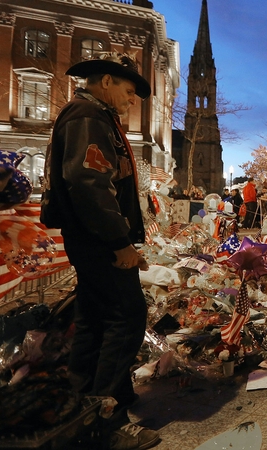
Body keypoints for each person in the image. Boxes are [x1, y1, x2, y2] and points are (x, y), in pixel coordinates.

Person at [40, 52, 159, 449]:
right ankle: (107, 421)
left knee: (93, 318)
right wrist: (119, 242)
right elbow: (90, 184)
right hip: (97, 238)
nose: (132, 99)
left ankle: (82, 406)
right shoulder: (89, 116)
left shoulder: (90, 114)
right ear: (106, 81)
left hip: (88, 236)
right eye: (129, 90)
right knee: (127, 316)